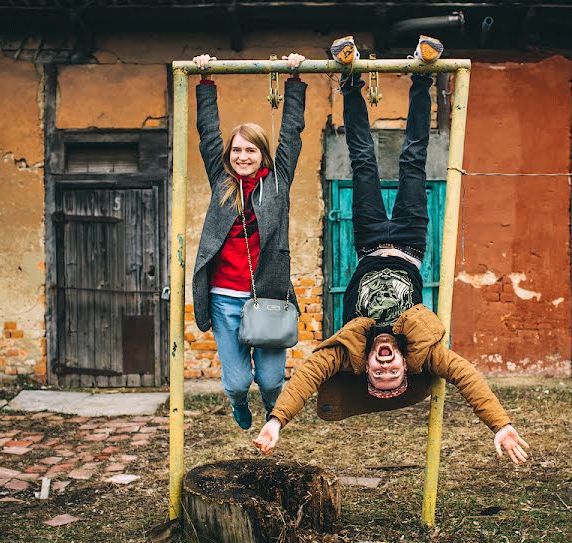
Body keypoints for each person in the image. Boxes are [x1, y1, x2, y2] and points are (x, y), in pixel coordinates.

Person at [253, 37, 530, 465]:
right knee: (413, 161)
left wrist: (276, 421)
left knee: (362, 160)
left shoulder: (351, 351)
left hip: (366, 241)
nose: (385, 368)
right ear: (404, 366)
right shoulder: (424, 350)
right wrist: (501, 424)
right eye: (391, 373)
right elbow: (466, 376)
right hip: (409, 242)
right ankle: (422, 77)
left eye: (378, 375)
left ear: (367, 370)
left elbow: (308, 375)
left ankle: (349, 80)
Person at [190, 52, 306, 430]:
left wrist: (294, 78)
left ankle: (274, 416)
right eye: (236, 150)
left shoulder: (278, 182)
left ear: (262, 155)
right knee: (238, 380)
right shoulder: (222, 183)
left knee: (271, 380)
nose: (242, 156)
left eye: (250, 150)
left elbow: (291, 133)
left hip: (269, 297)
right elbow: (208, 135)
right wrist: (205, 81)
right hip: (225, 297)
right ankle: (238, 403)